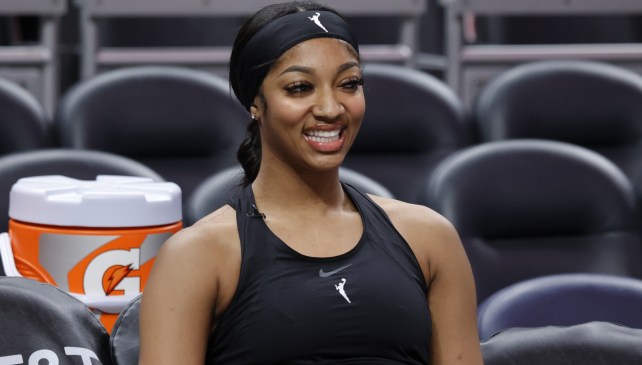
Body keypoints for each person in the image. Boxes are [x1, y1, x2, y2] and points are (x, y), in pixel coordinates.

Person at [138, 2, 484, 364]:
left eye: (349, 84)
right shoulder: (197, 256)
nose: (331, 108)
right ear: (255, 102)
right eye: (300, 88)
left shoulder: (429, 237)